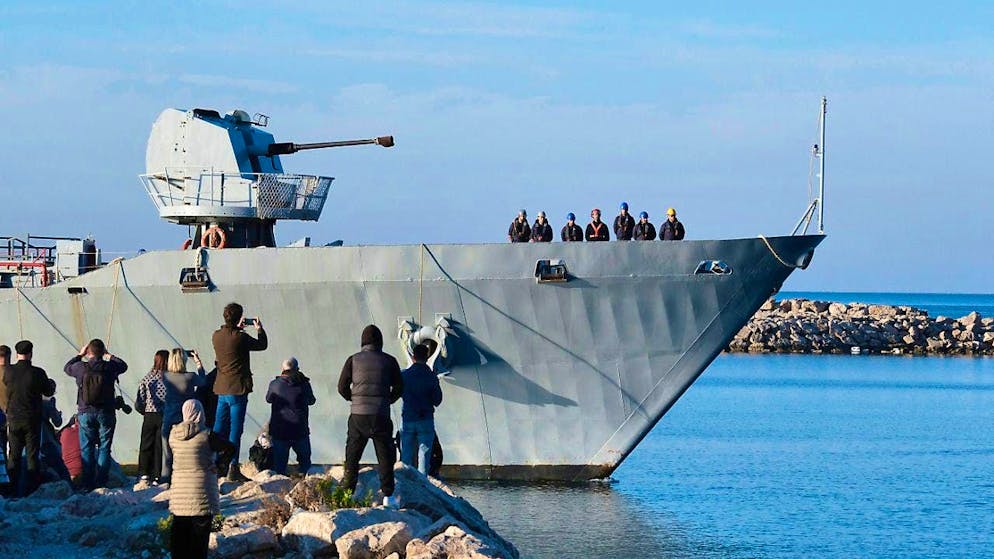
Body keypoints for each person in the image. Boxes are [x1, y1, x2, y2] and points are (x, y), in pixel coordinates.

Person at [338, 325, 403, 507]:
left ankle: (347, 495)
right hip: (380, 415)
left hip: (358, 415)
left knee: (352, 455)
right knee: (385, 456)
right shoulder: (390, 361)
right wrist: (388, 400)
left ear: (362, 342)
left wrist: (353, 399)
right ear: (380, 342)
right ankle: (388, 497)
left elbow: (341, 386)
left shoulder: (353, 360)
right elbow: (399, 387)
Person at [169, 399, 235, 559]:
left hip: (179, 494)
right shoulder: (207, 435)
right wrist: (219, 467)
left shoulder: (173, 435)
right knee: (199, 540)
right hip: (202, 492)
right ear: (201, 413)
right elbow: (230, 448)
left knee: (180, 538)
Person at [212, 302, 267, 482]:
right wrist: (259, 329)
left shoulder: (216, 336)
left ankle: (215, 462)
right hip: (238, 389)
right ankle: (232, 466)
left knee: (219, 429)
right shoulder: (241, 338)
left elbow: (229, 340)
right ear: (239, 317)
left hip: (221, 388)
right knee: (235, 430)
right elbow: (261, 345)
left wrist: (237, 328)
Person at [64, 338, 128, 491]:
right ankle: (101, 482)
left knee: (87, 448)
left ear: (89, 352)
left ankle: (87, 483)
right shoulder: (110, 367)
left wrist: (79, 355)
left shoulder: (81, 367)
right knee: (105, 447)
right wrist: (109, 355)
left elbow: (67, 368)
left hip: (85, 412)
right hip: (106, 412)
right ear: (102, 351)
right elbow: (123, 366)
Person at [5, 340, 55, 496]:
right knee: (32, 454)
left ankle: (12, 488)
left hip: (13, 417)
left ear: (17, 353)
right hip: (32, 418)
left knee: (14, 454)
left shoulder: (9, 371)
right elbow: (48, 392)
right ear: (31, 353)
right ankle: (31, 489)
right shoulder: (38, 372)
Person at [160, 348, 206, 488]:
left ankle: (165, 480)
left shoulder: (165, 376)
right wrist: (198, 362)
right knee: (186, 453)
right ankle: (185, 480)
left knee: (167, 454)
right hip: (185, 419)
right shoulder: (191, 377)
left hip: (168, 418)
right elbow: (204, 381)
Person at [266, 358, 316, 476]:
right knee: (305, 465)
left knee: (279, 466)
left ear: (282, 369)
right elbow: (311, 401)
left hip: (279, 431)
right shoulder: (304, 384)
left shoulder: (274, 384)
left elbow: (268, 399)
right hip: (300, 430)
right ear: (297, 369)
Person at [399, 344, 443, 477]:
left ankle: (405, 482)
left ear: (413, 357)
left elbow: (398, 392)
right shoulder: (431, 376)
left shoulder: (404, 375)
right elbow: (437, 400)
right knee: (424, 454)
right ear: (427, 357)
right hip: (426, 418)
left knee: (406, 453)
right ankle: (422, 482)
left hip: (408, 418)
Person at [135, 349, 168, 485]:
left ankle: (144, 473)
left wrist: (144, 411)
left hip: (149, 414)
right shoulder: (170, 378)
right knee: (159, 446)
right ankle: (156, 474)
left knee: (146, 444)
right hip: (164, 414)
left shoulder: (147, 377)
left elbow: (140, 399)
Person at [39, 379, 71, 483]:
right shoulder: (49, 401)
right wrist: (57, 414)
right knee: (59, 465)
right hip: (46, 437)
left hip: (31, 436)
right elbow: (57, 422)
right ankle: (69, 485)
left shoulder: (32, 398)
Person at [59, 414, 83, 482]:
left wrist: (68, 424)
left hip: (67, 473)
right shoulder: (86, 433)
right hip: (82, 472)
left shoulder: (65, 432)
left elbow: (55, 437)